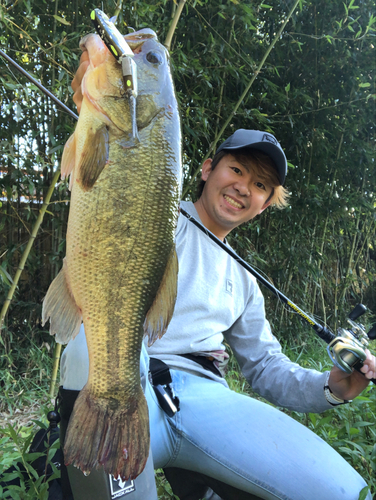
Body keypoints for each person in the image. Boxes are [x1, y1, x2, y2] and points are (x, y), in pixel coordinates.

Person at [58, 51, 376, 500]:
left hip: (204, 396)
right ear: (208, 169)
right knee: (85, 351)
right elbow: (100, 170)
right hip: (127, 373)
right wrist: (95, 88)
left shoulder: (245, 281)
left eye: (261, 185)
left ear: (265, 205)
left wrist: (332, 386)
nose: (244, 186)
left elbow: (266, 368)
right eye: (237, 169)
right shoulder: (153, 207)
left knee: (346, 491)